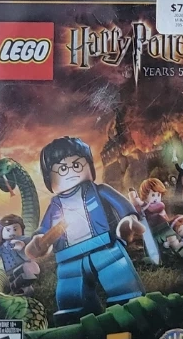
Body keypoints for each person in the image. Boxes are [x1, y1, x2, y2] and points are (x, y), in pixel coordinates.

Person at [30, 136, 148, 325]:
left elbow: (123, 206)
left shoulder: (99, 190)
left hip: (104, 247)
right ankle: (76, 325)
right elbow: (44, 231)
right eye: (62, 168)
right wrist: (39, 242)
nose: (71, 172)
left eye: (77, 165)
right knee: (71, 299)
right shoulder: (55, 206)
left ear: (89, 167)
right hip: (69, 259)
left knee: (121, 284)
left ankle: (131, 313)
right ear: (48, 178)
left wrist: (128, 220)